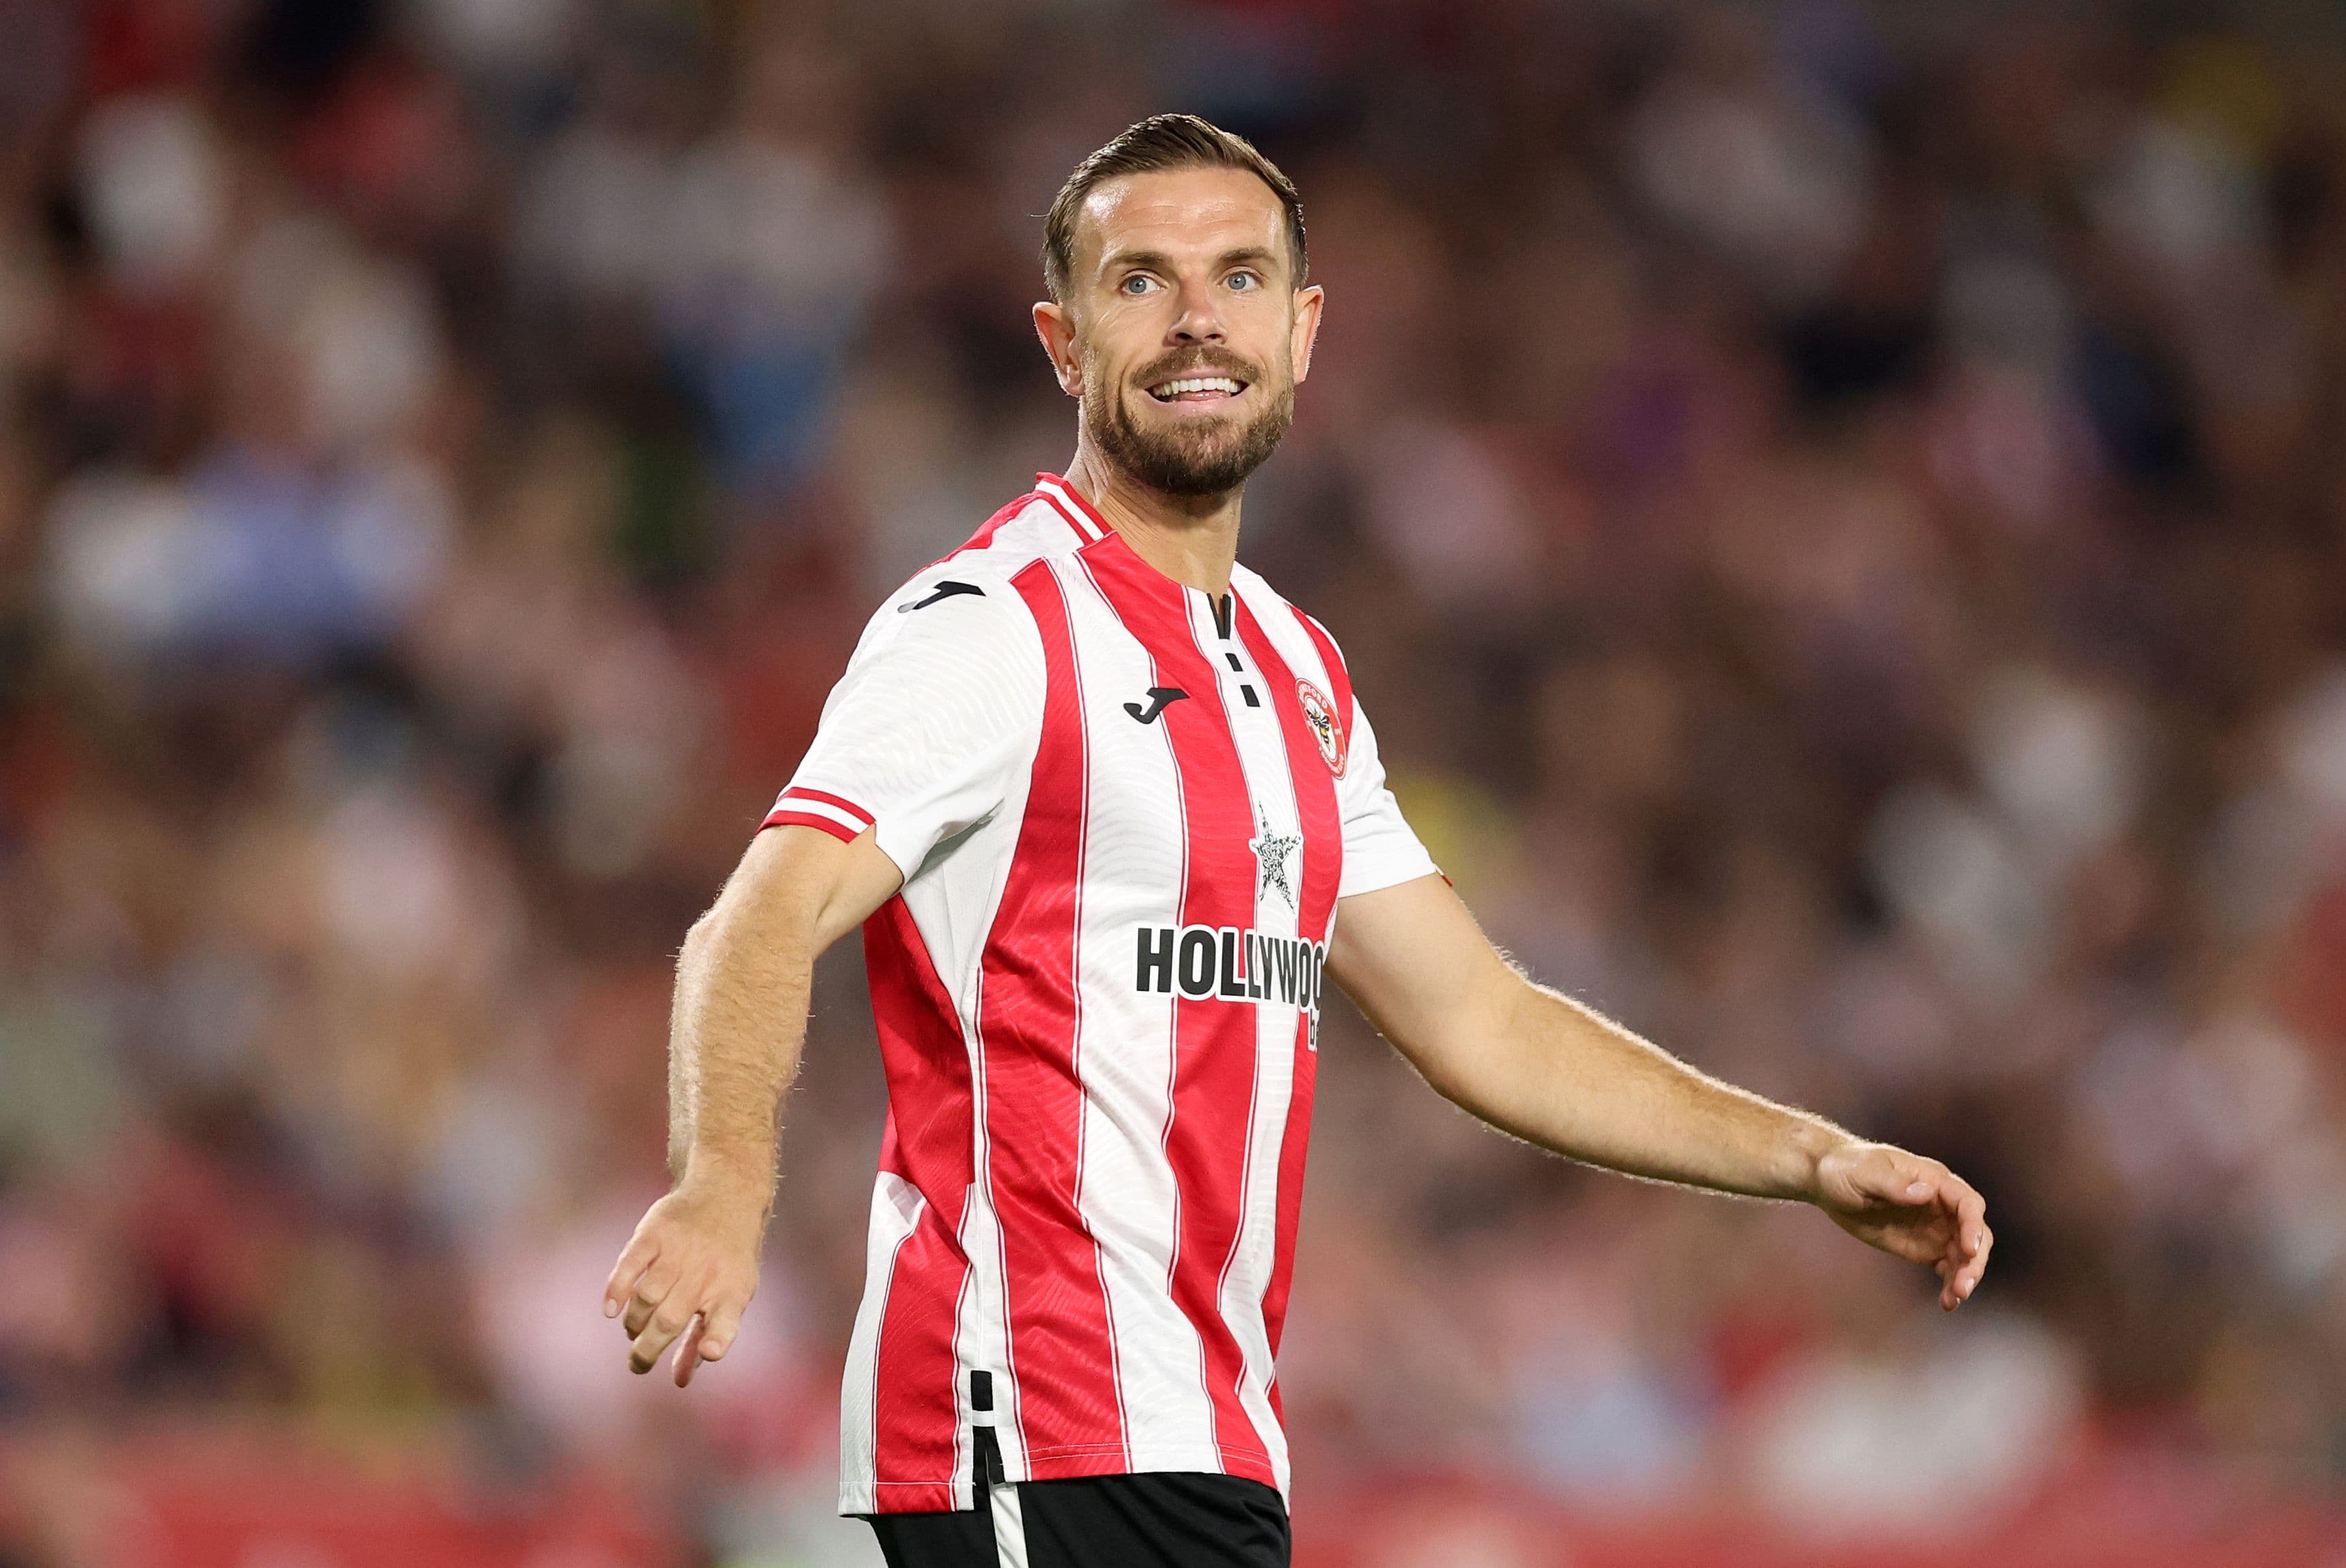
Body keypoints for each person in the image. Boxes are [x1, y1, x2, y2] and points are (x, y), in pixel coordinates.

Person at [601, 114, 1993, 1568]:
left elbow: (1483, 1020)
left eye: (1240, 277)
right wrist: (724, 1186)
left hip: (1212, 1442)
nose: (1198, 317)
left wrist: (1807, 1158)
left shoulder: (1298, 673)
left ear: (1303, 328)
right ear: (1062, 343)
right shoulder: (989, 630)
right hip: (1025, 1424)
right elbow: (760, 915)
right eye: (1139, 281)